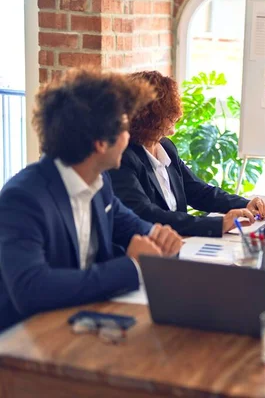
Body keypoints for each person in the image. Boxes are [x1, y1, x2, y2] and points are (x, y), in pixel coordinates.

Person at [0, 68, 183, 332]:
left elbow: (136, 228)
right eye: (122, 127)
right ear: (100, 143)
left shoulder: (99, 183)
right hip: (26, 341)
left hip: (84, 320)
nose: (128, 137)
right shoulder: (23, 199)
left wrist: (161, 238)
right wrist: (132, 267)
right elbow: (31, 289)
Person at [108, 71, 265, 237]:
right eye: (167, 117)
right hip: (149, 249)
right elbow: (146, 214)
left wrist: (245, 204)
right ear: (147, 118)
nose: (173, 125)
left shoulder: (165, 147)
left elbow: (197, 191)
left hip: (181, 241)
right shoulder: (122, 158)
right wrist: (218, 224)